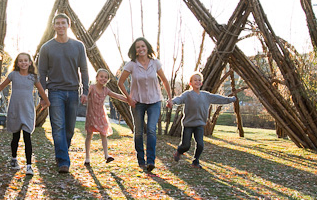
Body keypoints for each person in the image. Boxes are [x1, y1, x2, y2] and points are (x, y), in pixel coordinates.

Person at [37, 13, 89, 173]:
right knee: (57, 126)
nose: (60, 26)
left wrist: (85, 90)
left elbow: (84, 70)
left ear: (68, 24)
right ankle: (64, 162)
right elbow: (41, 73)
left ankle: (61, 154)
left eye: (63, 23)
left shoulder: (78, 46)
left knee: (69, 129)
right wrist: (43, 96)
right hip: (55, 92)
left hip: (73, 91)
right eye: (57, 23)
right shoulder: (46, 48)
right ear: (53, 26)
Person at [117, 37, 173, 172]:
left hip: (155, 101)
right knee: (138, 132)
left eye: (143, 46)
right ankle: (141, 160)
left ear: (147, 47)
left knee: (152, 130)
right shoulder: (131, 65)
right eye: (138, 47)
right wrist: (128, 98)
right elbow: (120, 82)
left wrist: (170, 98)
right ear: (135, 51)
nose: (141, 49)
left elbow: (164, 80)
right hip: (138, 102)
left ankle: (151, 161)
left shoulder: (155, 63)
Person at [0, 53, 50, 175]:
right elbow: (1, 86)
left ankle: (29, 165)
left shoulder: (33, 77)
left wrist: (47, 102)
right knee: (15, 137)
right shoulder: (13, 75)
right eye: (21, 61)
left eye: (26, 61)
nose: (23, 63)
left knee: (27, 137)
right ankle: (14, 159)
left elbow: (41, 91)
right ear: (17, 63)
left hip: (27, 110)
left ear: (30, 63)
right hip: (15, 110)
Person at [172, 71, 237, 167]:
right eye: (195, 80)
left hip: (199, 124)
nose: (197, 82)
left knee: (200, 144)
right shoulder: (188, 94)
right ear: (190, 83)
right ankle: (179, 151)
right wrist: (172, 102)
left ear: (201, 83)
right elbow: (179, 99)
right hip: (188, 124)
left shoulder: (206, 95)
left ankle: (195, 161)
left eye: (199, 80)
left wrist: (230, 99)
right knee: (186, 145)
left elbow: (218, 98)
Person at [84, 68, 127, 166]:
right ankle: (87, 158)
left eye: (106, 77)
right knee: (89, 135)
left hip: (101, 115)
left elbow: (117, 96)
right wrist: (85, 97)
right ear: (97, 77)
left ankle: (106, 155)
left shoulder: (106, 90)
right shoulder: (92, 87)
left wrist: (128, 99)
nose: (103, 79)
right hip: (92, 114)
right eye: (101, 76)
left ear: (107, 80)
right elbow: (86, 93)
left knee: (103, 134)